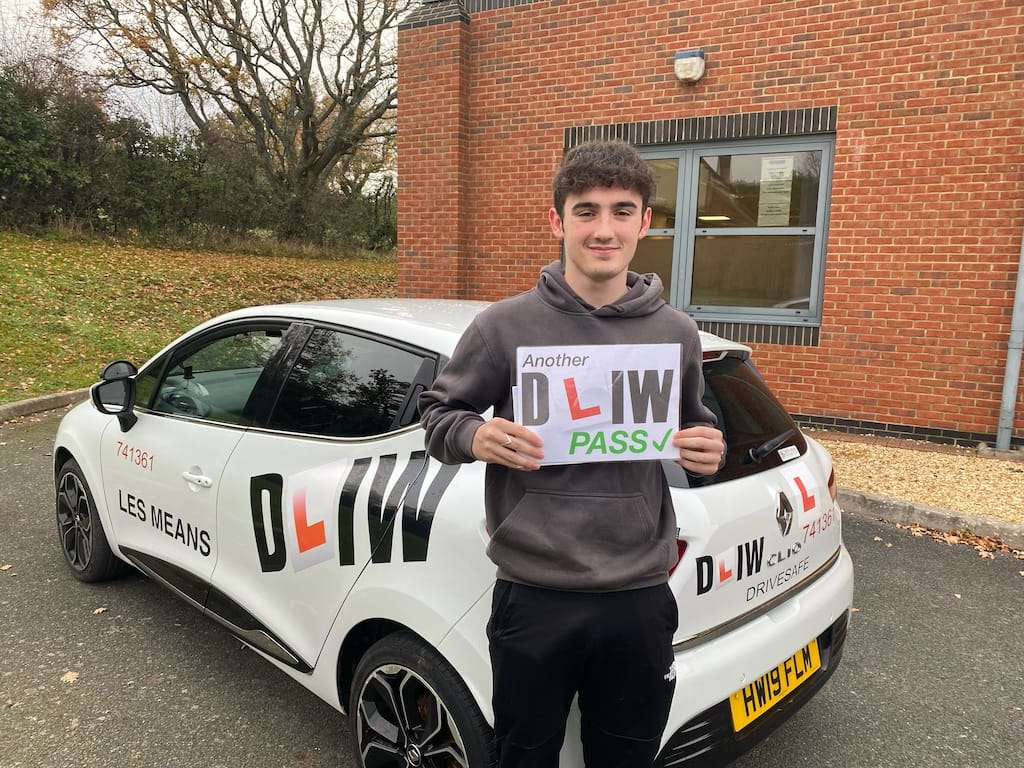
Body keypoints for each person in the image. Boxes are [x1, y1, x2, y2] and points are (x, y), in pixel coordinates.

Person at [419, 140, 725, 768]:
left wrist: (707, 448)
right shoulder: (503, 326)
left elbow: (695, 427)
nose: (604, 229)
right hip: (535, 593)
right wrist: (475, 436)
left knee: (627, 756)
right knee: (525, 754)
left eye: (621, 211)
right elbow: (439, 416)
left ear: (645, 222)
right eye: (586, 211)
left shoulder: (676, 332)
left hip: (639, 593)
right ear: (558, 222)